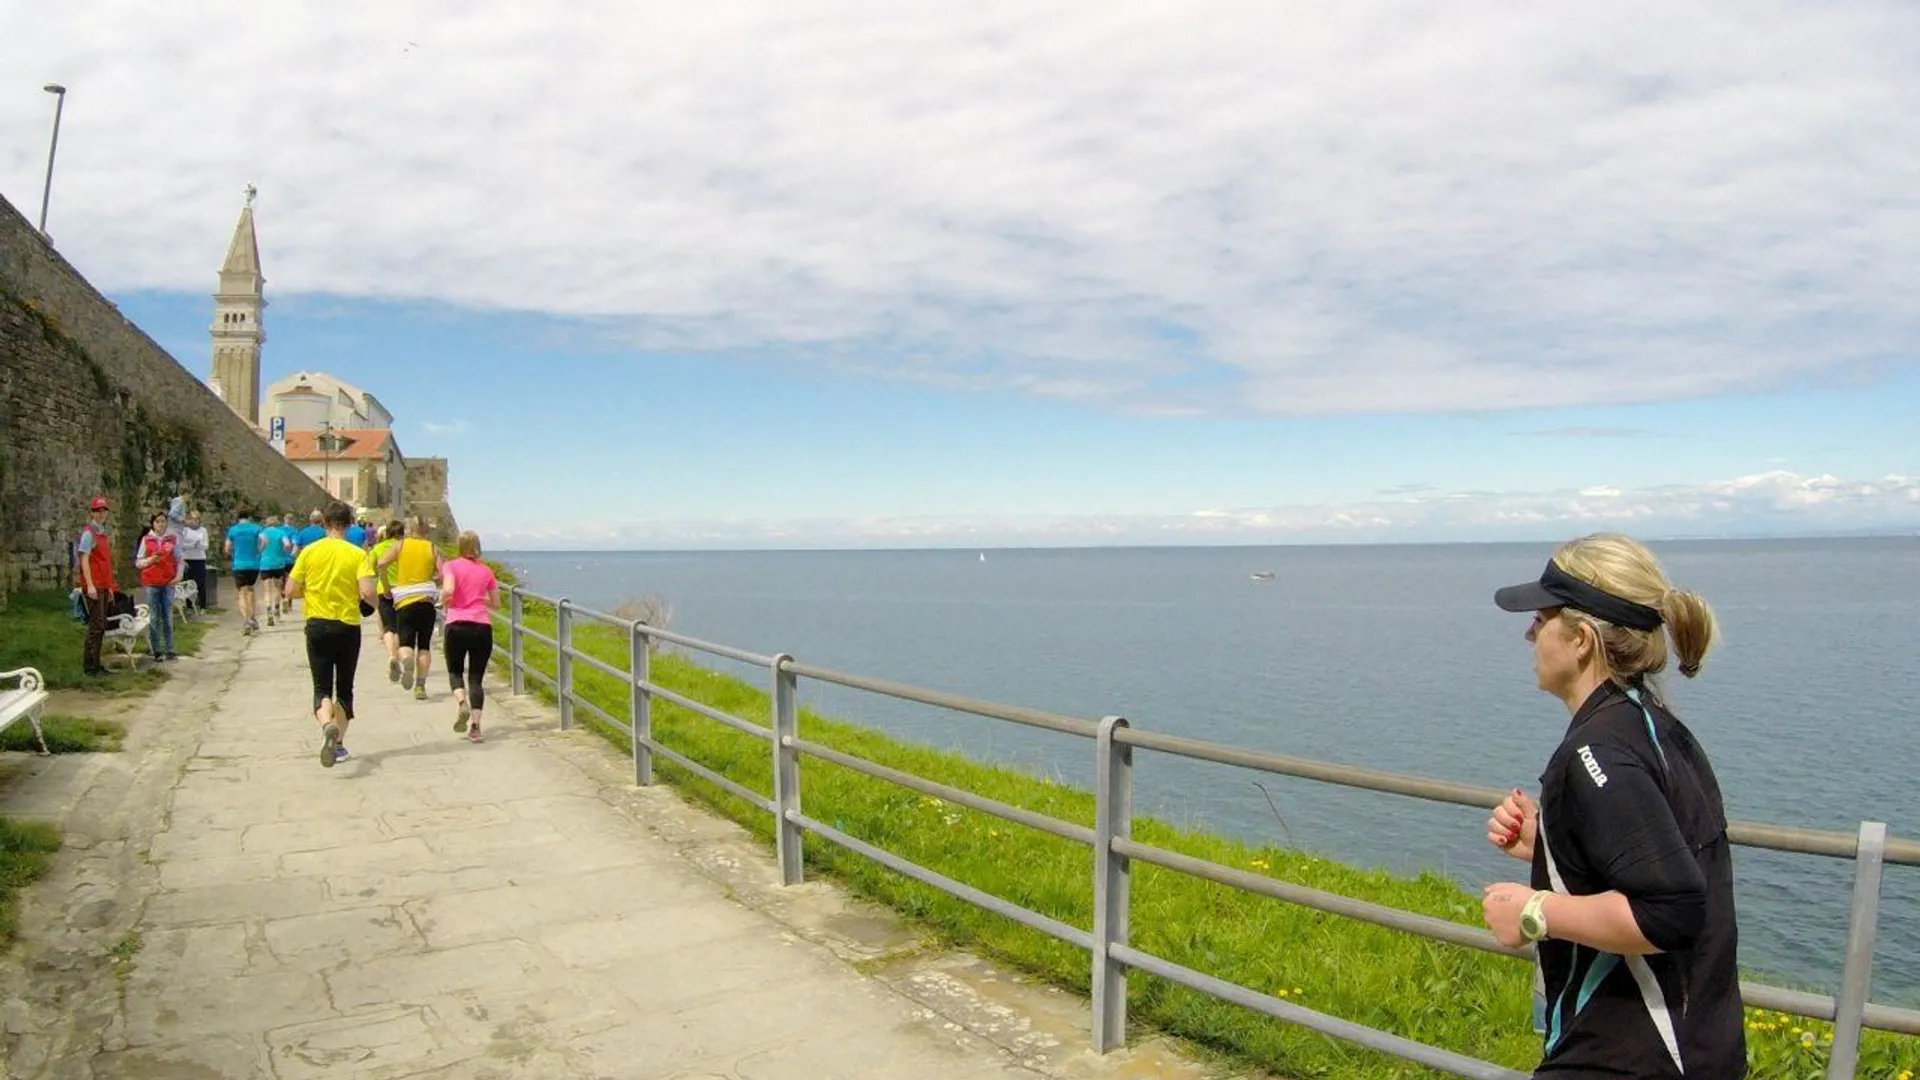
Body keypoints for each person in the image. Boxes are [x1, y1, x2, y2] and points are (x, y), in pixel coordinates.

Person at [1483, 533, 1742, 1079]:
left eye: (1541, 617)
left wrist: (1533, 911)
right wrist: (1552, 844)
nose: (1529, 632)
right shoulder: (1655, 729)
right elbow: (1658, 852)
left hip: (1629, 1058)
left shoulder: (1595, 751)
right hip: (1699, 1050)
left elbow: (1671, 909)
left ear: (1580, 638)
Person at [287, 500, 375, 768]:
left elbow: (290, 590)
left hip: (316, 624)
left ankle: (326, 724)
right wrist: (368, 606)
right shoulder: (358, 555)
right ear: (349, 524)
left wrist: (310, 593)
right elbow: (369, 593)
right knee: (344, 688)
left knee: (321, 686)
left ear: (324, 523)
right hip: (347, 625)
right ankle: (338, 745)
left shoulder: (310, 552)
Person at [439, 530, 498, 742]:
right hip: (482, 626)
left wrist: (445, 600)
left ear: (459, 546)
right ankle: (476, 727)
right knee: (476, 678)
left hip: (456, 624)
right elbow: (496, 603)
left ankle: (461, 702)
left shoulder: (451, 566)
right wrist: (479, 600)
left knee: (455, 670)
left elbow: (448, 590)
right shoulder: (486, 571)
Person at [380, 516, 442, 701]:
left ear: (409, 529)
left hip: (405, 601)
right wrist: (433, 580)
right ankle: (420, 687)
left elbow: (382, 563)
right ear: (425, 531)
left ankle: (406, 659)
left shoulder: (400, 546)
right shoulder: (432, 547)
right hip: (426, 601)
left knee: (405, 643)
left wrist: (386, 587)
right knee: (424, 646)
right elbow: (444, 572)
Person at [75, 496, 117, 676]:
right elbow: (84, 560)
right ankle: (90, 666)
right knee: (96, 625)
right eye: (97, 511)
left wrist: (109, 587)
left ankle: (96, 663)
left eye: (103, 511)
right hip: (93, 585)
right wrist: (90, 585)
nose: (101, 514)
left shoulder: (102, 534)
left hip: (102, 584)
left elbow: (105, 563)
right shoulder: (89, 534)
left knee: (101, 625)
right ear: (91, 513)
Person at [134, 512, 180, 662]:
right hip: (151, 582)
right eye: (158, 521)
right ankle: (157, 650)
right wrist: (150, 560)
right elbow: (138, 562)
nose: (161, 524)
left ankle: (170, 648)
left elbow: (180, 559)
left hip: (168, 582)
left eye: (163, 521)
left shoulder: (172, 539)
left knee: (167, 616)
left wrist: (179, 576)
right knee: (154, 617)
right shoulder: (146, 540)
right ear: (153, 523)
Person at [368, 521, 406, 682]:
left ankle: (392, 657)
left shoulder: (378, 548)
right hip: (403, 590)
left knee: (388, 628)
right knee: (400, 628)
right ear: (401, 533)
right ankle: (399, 655)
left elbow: (370, 570)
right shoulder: (404, 547)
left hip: (383, 591)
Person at [224, 509, 263, 633]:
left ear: (238, 518)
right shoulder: (256, 528)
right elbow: (264, 541)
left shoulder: (233, 530)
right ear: (249, 517)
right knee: (251, 590)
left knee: (242, 593)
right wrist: (258, 551)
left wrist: (232, 554)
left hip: (239, 564)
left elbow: (227, 547)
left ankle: (246, 621)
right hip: (253, 565)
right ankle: (253, 617)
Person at [258, 513, 296, 623]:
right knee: (278, 589)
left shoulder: (263, 532)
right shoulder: (281, 532)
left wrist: (260, 551)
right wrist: (284, 551)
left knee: (267, 590)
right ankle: (276, 611)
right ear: (277, 523)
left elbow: (261, 544)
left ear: (267, 523)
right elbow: (288, 544)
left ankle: (269, 611)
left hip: (265, 564)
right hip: (278, 564)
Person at [176, 510, 211, 615]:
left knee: (201, 583)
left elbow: (205, 545)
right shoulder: (185, 531)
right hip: (187, 559)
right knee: (187, 582)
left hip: (199, 559)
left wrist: (197, 545)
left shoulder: (203, 530)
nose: (194, 521)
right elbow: (182, 545)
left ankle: (203, 606)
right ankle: (189, 606)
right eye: (192, 519)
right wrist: (192, 545)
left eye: (197, 519)